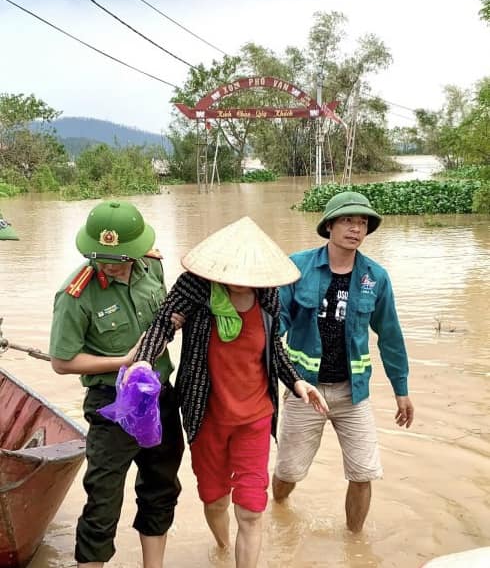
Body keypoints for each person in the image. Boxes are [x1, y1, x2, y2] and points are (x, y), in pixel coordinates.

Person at [128, 216, 328, 568]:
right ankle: (222, 548)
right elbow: (162, 324)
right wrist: (143, 363)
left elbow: (273, 351)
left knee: (251, 510)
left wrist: (298, 382)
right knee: (214, 499)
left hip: (255, 416)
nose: (240, 283)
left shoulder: (267, 296)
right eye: (233, 276)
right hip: (206, 414)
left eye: (248, 278)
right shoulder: (195, 288)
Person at [49, 200, 184, 568]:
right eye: (102, 256)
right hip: (112, 405)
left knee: (161, 488)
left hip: (159, 398)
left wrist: (175, 320)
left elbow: (168, 312)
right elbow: (63, 361)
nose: (110, 264)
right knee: (103, 499)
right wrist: (122, 360)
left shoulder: (153, 266)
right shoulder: (76, 294)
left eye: (120, 257)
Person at [272, 190, 414, 533]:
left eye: (362, 222)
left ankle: (355, 542)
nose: (356, 228)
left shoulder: (375, 278)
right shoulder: (297, 267)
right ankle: (277, 511)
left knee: (364, 474)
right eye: (348, 220)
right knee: (289, 473)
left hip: (354, 394)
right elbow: (274, 325)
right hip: (305, 390)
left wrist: (401, 389)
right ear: (330, 225)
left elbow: (390, 336)